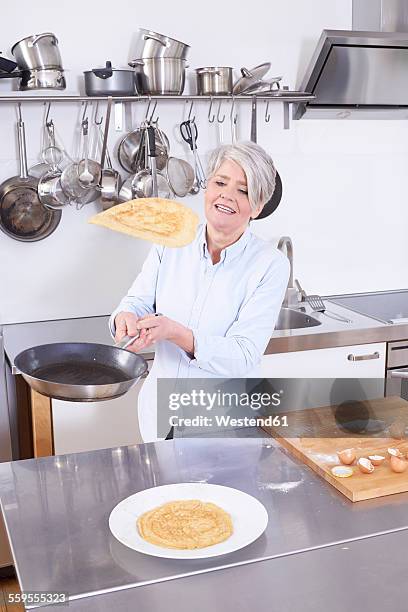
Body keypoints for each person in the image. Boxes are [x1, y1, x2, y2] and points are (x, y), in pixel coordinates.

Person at [109, 141, 290, 442]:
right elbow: (138, 301)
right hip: (159, 417)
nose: (226, 195)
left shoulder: (270, 265)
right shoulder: (172, 239)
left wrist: (176, 333)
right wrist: (125, 317)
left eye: (243, 190)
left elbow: (244, 353)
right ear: (207, 187)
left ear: (257, 207)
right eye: (220, 182)